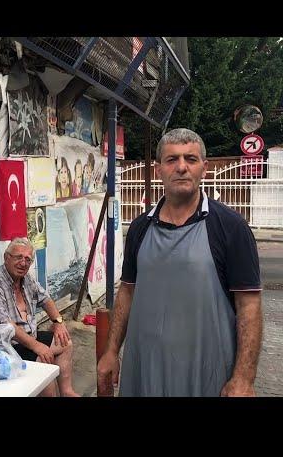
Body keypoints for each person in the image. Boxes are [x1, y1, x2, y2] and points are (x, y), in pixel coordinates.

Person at [97, 128, 262, 397]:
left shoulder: (230, 228)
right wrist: (111, 351)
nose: (182, 167)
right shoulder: (139, 228)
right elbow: (127, 291)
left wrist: (244, 378)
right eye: (172, 159)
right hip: (145, 370)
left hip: (206, 375)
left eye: (191, 159)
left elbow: (250, 305)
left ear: (204, 168)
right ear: (159, 168)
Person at [0, 237, 79, 397]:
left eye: (27, 259)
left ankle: (67, 392)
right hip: (4, 348)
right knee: (43, 362)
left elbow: (45, 299)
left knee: (65, 343)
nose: (23, 263)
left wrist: (58, 322)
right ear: (6, 258)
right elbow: (5, 326)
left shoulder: (26, 279)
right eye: (18, 257)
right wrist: (37, 346)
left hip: (28, 338)